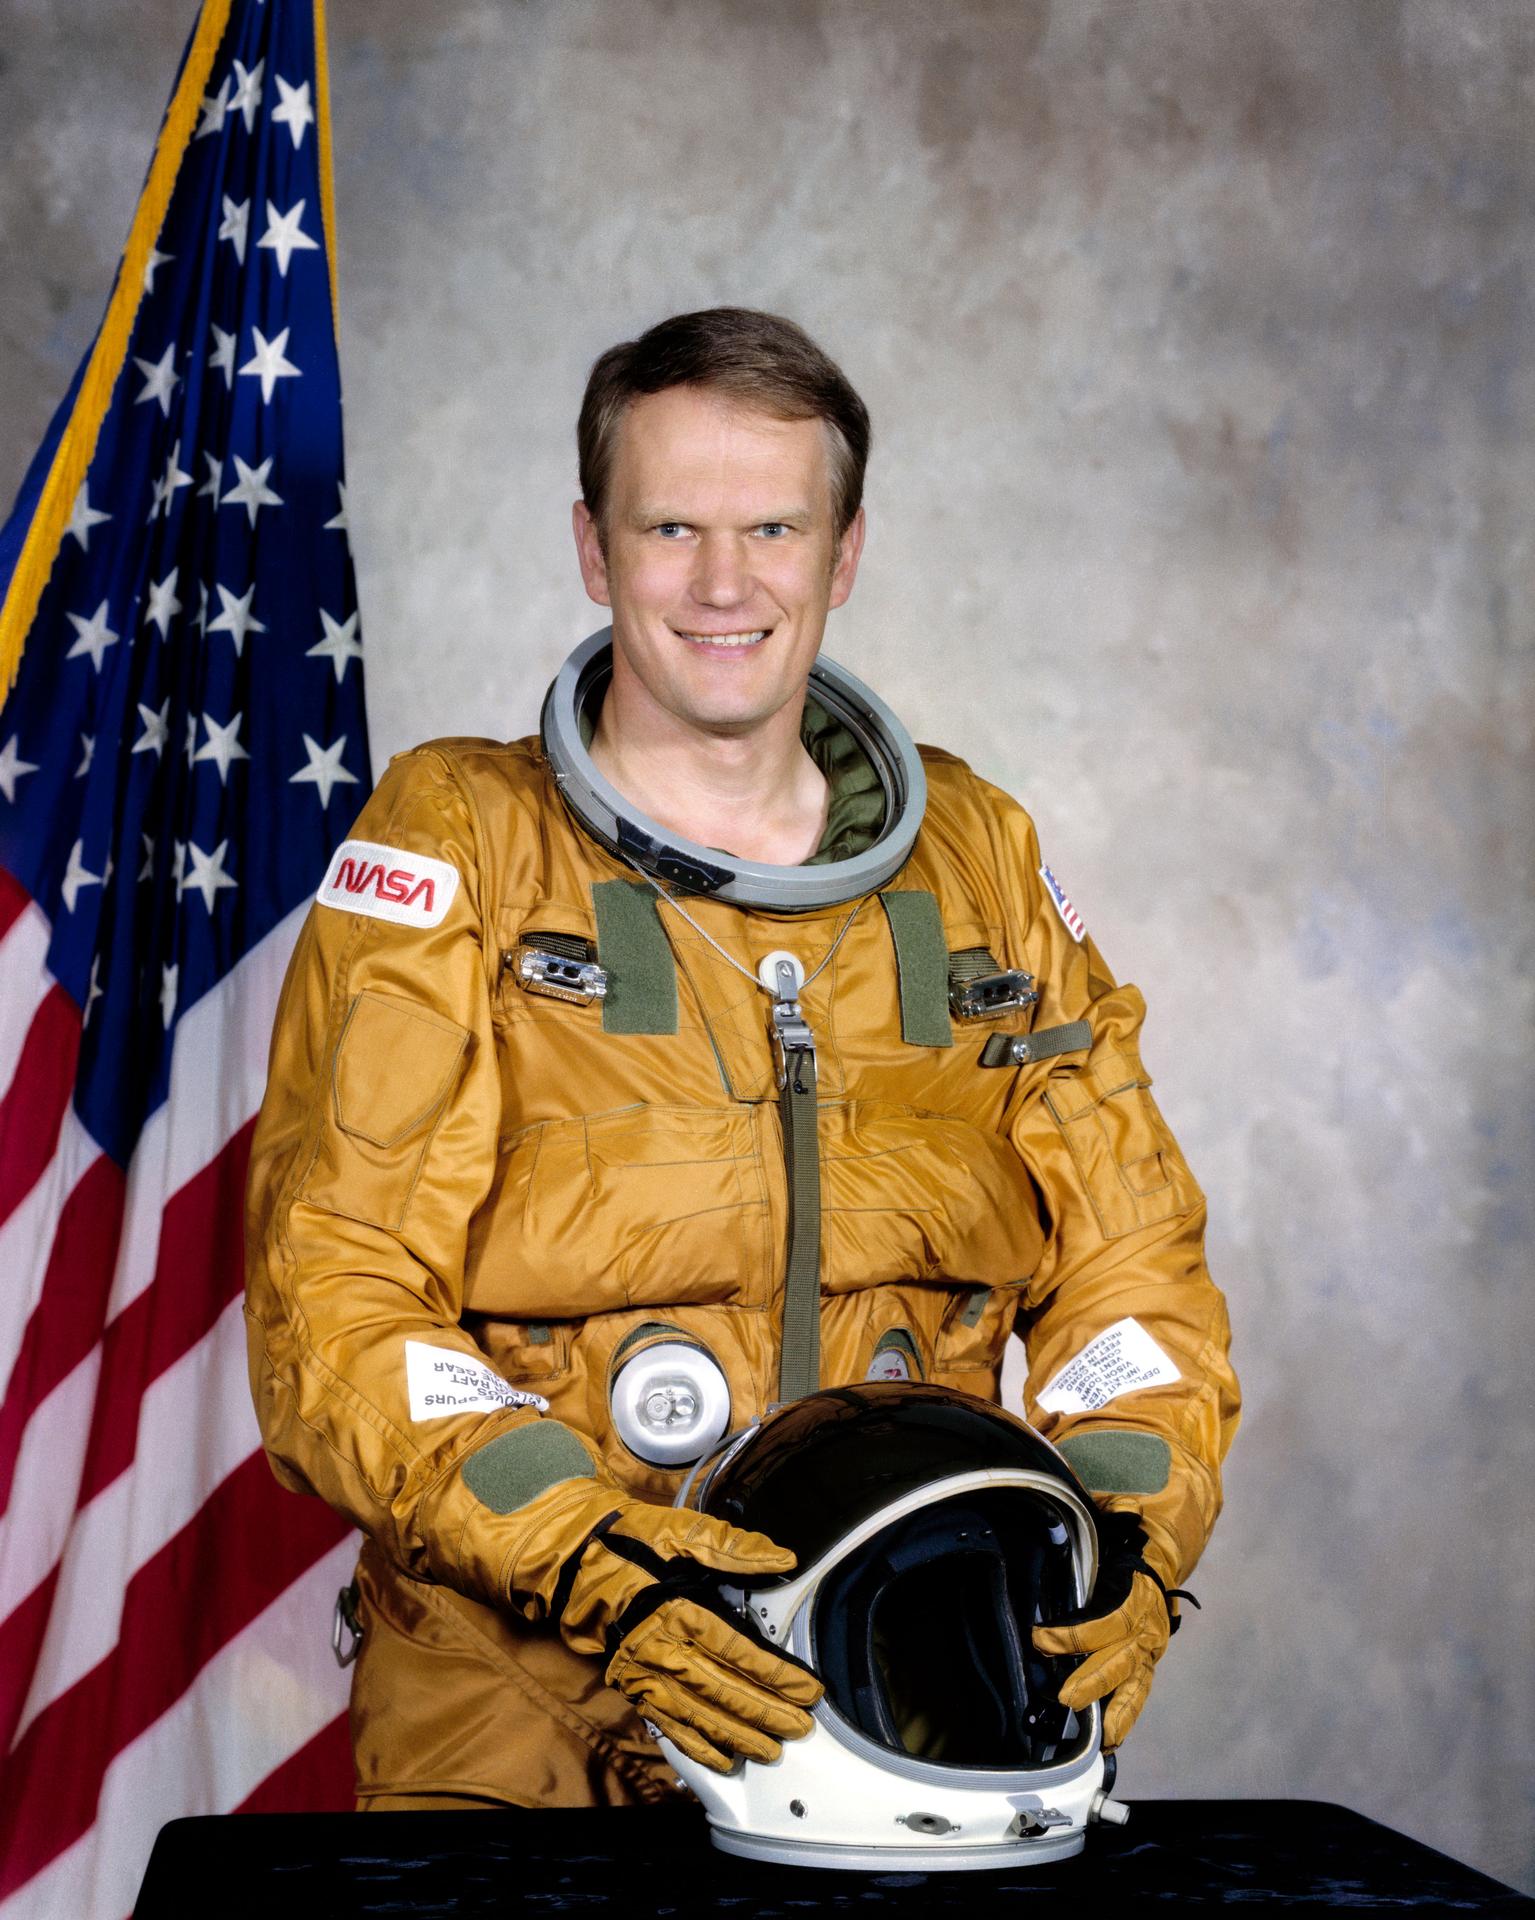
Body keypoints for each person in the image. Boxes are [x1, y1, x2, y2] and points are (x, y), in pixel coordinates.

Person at [244, 307, 1240, 1811]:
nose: (725, 583)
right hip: (521, 1705)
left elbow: (1134, 1272)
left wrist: (1117, 1530)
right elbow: (338, 1286)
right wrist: (589, 1556)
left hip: (910, 1690)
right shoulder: (459, 842)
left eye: (774, 526)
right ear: (594, 548)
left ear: (841, 558)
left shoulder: (976, 862)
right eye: (672, 527)